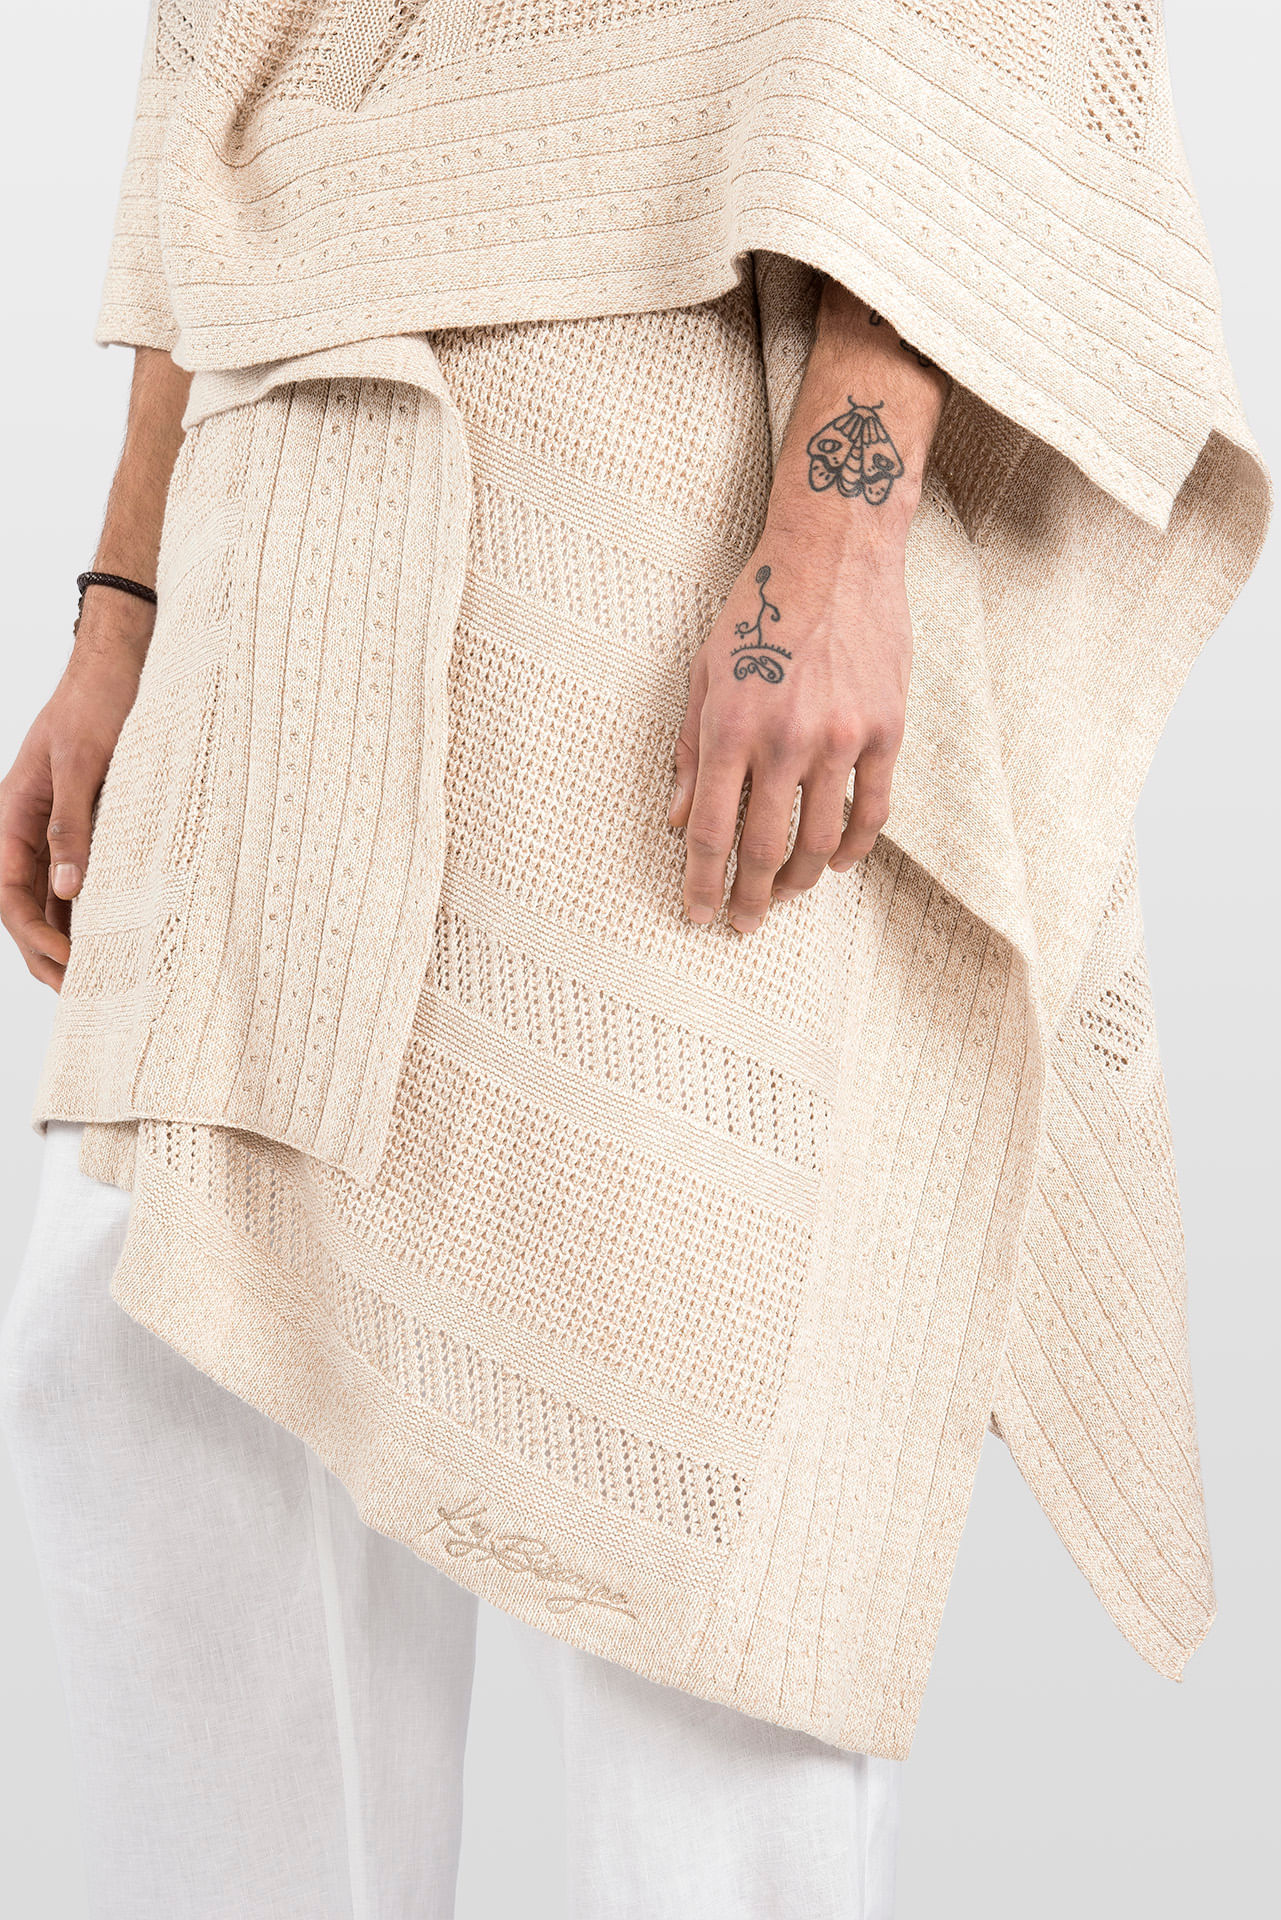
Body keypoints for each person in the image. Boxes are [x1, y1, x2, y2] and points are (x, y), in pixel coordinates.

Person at [0, 3, 1268, 1916]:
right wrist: (123, 606)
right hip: (274, 503)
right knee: (157, 1382)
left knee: (681, 1483)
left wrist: (841, 521)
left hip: (654, 471)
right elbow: (219, 60)